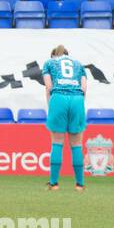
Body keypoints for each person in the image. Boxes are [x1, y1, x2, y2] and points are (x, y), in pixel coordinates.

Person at [42, 45, 88, 191]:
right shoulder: (79, 65)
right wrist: (79, 105)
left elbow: (48, 87)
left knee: (57, 142)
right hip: (77, 99)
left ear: (54, 55)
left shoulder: (49, 63)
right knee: (76, 144)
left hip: (59, 98)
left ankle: (54, 183)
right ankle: (80, 185)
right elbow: (84, 88)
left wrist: (52, 107)